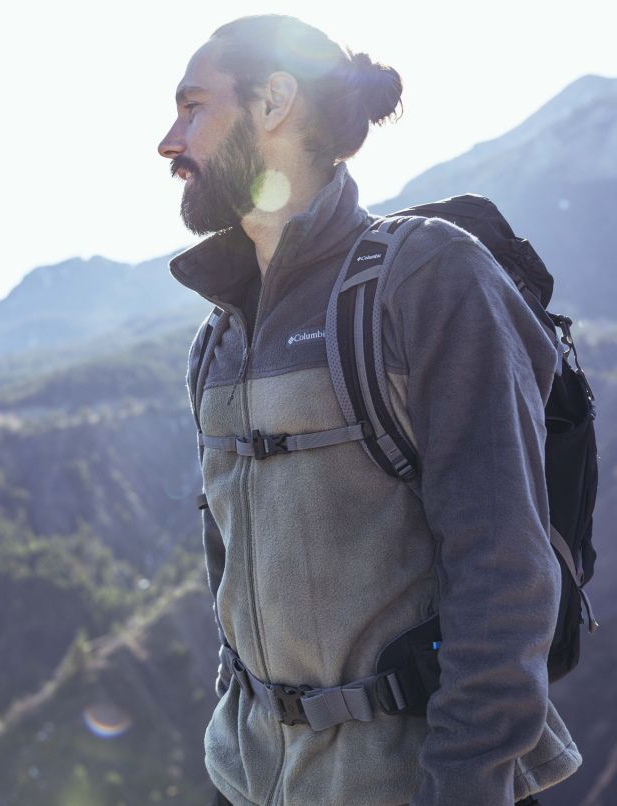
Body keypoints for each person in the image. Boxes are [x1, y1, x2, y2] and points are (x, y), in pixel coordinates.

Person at [158, 15, 582, 806]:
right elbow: (230, 577)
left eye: (192, 107)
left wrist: (464, 787)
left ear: (274, 102)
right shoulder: (216, 338)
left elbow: (503, 571)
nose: (169, 141)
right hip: (252, 781)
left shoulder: (427, 277)